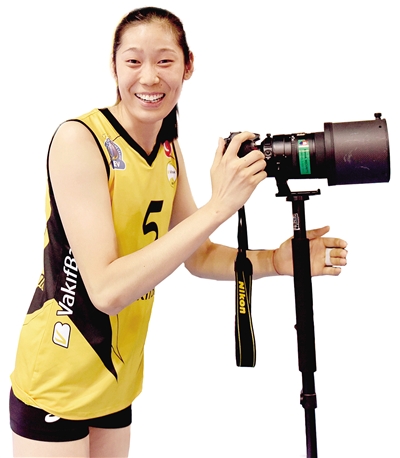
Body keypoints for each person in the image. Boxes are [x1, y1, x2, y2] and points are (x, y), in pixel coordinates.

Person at [9, 6, 348, 458]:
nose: (149, 77)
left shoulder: (167, 149)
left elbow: (198, 255)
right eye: (133, 61)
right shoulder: (80, 140)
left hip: (115, 379)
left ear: (188, 65)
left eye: (165, 60)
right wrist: (219, 206)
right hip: (58, 375)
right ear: (114, 67)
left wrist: (273, 261)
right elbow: (106, 290)